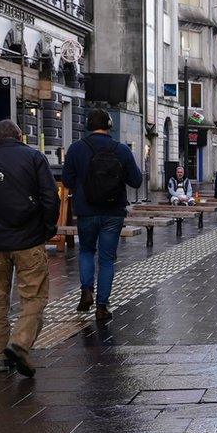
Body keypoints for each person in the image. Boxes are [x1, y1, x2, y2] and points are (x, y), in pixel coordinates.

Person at [0, 120, 60, 377]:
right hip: (28, 240)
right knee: (35, 297)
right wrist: (46, 229)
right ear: (19, 136)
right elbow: (50, 198)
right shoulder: (34, 158)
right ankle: (19, 343)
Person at [62, 109, 142, 321]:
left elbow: (67, 180)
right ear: (109, 126)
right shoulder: (121, 150)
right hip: (113, 212)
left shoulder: (77, 149)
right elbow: (136, 181)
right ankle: (102, 307)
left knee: (87, 251)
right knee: (107, 259)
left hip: (86, 211)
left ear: (89, 125)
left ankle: (87, 290)